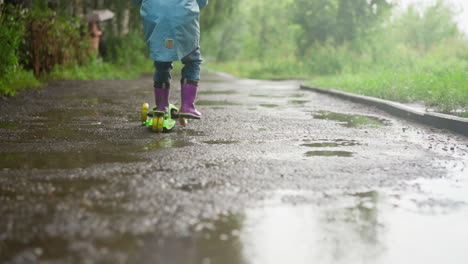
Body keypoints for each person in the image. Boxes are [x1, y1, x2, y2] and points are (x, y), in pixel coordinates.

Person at [132, 0, 208, 119]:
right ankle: (187, 107)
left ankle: (161, 106)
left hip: (155, 16)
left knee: (162, 61)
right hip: (183, 16)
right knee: (192, 60)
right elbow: (202, 2)